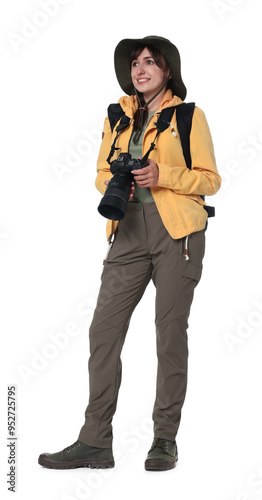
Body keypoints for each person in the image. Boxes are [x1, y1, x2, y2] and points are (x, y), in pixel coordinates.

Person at [38, 35, 221, 472]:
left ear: (167, 70)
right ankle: (95, 441)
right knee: (103, 332)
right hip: (128, 231)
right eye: (135, 63)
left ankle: (164, 439)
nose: (140, 70)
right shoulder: (116, 117)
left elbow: (211, 180)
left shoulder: (189, 116)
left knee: (169, 334)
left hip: (177, 233)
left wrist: (162, 174)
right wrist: (118, 181)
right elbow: (101, 173)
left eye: (150, 63)